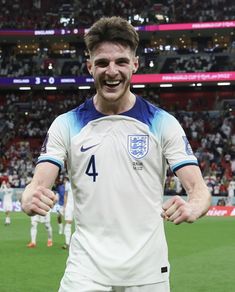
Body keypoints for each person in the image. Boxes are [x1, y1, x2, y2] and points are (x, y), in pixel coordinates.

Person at [21, 16, 211, 292]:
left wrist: (193, 206)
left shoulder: (162, 122)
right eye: (102, 63)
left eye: (121, 61)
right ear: (90, 67)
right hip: (85, 272)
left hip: (148, 272)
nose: (112, 71)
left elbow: (200, 190)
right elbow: (39, 184)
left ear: (134, 64)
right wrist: (30, 195)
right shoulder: (67, 124)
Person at [62, 177, 74, 250]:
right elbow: (65, 195)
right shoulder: (68, 184)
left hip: (78, 206)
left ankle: (78, 244)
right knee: (68, 223)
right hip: (69, 205)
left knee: (79, 225)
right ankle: (67, 243)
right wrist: (65, 206)